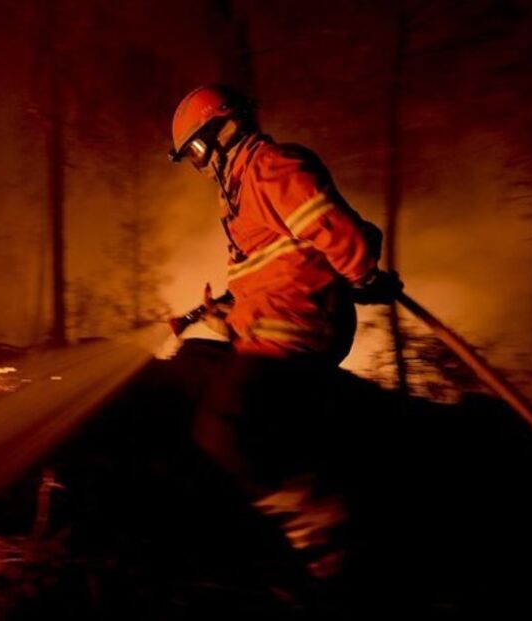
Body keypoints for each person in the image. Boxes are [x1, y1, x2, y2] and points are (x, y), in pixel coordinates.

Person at [168, 84, 402, 593]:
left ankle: (320, 518)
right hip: (269, 331)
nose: (200, 167)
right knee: (189, 364)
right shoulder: (241, 197)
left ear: (218, 134)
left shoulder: (272, 168)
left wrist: (363, 275)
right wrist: (221, 318)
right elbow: (263, 281)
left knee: (220, 426)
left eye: (196, 154)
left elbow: (337, 232)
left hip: (299, 329)